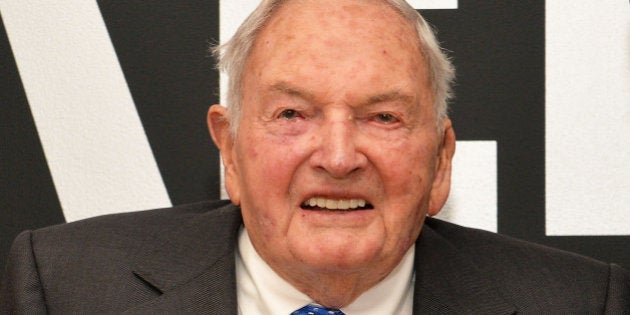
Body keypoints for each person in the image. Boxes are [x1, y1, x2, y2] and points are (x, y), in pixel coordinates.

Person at [1, 0, 628, 313]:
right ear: (230, 152)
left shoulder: (581, 302)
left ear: (440, 163)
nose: (337, 156)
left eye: (382, 116)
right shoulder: (64, 289)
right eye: (292, 115)